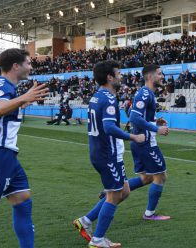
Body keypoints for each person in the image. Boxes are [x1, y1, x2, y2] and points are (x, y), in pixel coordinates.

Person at [0, 48, 48, 247]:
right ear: (16, 66)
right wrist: (23, 98)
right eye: (28, 63)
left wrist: (22, 103)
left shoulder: (4, 86)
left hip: (6, 155)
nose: (31, 66)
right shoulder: (0, 83)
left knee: (22, 199)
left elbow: (3, 111)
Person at [73, 61, 145, 248]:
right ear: (109, 77)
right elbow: (109, 127)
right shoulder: (109, 99)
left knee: (124, 191)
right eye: (118, 73)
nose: (121, 76)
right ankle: (97, 240)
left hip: (105, 152)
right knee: (114, 195)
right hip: (107, 154)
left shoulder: (98, 96)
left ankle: (86, 221)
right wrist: (133, 137)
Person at [128, 64, 171, 220]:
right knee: (161, 176)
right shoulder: (145, 94)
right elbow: (133, 117)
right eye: (159, 74)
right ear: (150, 76)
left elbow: (138, 116)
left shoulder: (147, 94)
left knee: (146, 178)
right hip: (145, 143)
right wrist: (156, 129)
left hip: (140, 141)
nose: (162, 76)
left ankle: (113, 190)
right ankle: (150, 214)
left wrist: (155, 121)